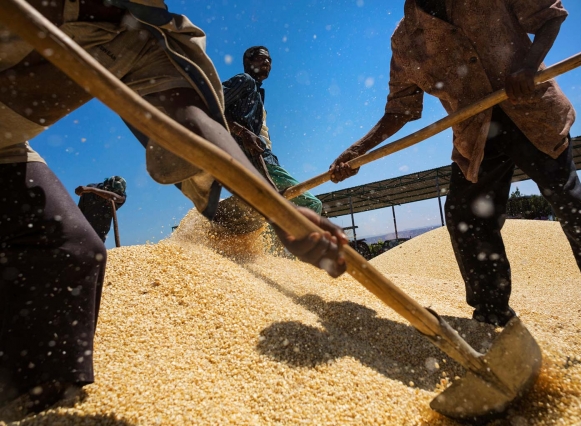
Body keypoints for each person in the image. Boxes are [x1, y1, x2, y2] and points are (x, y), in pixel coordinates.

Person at [0, 0, 346, 412]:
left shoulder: (151, 32)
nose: (262, 64)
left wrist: (277, 212)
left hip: (4, 145)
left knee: (72, 251)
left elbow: (191, 121)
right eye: (258, 57)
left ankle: (32, 401)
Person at [329, 0, 581, 365]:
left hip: (531, 114)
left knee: (572, 206)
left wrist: (527, 65)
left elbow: (550, 16)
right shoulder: (406, 39)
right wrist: (358, 151)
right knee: (465, 214)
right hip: (477, 136)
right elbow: (401, 108)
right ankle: (493, 318)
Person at [222, 46, 323, 215]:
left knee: (275, 212)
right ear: (248, 62)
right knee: (311, 205)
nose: (267, 62)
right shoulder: (244, 80)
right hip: (255, 160)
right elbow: (210, 105)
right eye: (262, 58)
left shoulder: (257, 93)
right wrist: (242, 132)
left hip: (262, 160)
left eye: (269, 60)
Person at [76, 176, 127, 243]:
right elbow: (80, 208)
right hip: (84, 226)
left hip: (101, 230)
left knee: (96, 248)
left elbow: (117, 198)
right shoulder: (91, 189)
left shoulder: (121, 196)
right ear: (106, 186)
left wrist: (92, 190)